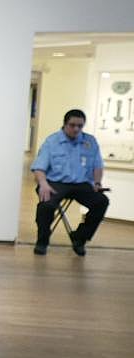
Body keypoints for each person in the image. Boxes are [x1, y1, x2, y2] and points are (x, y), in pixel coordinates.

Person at [30, 109, 109, 256]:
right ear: (65, 124)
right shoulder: (52, 141)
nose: (76, 129)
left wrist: (97, 183)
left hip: (81, 184)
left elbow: (98, 165)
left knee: (101, 202)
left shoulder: (90, 141)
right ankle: (42, 241)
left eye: (80, 126)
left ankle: (80, 238)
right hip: (56, 182)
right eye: (72, 125)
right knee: (45, 206)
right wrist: (43, 184)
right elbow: (39, 167)